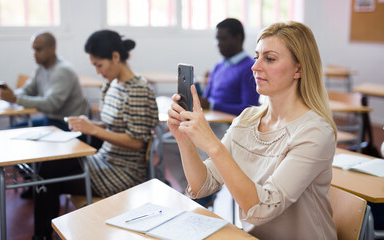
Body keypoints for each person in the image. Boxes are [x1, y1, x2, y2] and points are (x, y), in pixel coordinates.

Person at [167, 21, 338, 239]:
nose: (255, 66)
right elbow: (203, 185)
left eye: (270, 58)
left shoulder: (315, 132)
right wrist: (184, 139)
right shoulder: (248, 119)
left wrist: (213, 145)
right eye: (257, 56)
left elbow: (263, 208)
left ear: (299, 69)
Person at [32, 30, 159, 240]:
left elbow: (137, 142)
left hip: (122, 172)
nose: (98, 71)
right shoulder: (112, 84)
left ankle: (42, 237)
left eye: (99, 65)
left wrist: (94, 129)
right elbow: (114, 124)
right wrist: (90, 124)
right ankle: (43, 236)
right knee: (45, 168)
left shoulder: (137, 89)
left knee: (46, 175)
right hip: (103, 160)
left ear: (116, 57)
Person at [0, 31, 86, 131]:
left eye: (38, 49)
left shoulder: (63, 71)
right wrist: (11, 94)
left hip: (66, 125)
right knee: (10, 131)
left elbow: (50, 104)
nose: (34, 53)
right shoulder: (40, 68)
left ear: (52, 48)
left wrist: (15, 99)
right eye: (33, 49)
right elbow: (29, 90)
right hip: (50, 121)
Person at [200, 18, 260, 116]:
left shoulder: (250, 68)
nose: (218, 44)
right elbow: (205, 100)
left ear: (238, 38)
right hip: (209, 119)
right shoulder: (218, 66)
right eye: (217, 39)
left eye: (223, 39)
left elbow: (250, 109)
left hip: (228, 124)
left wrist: (213, 106)